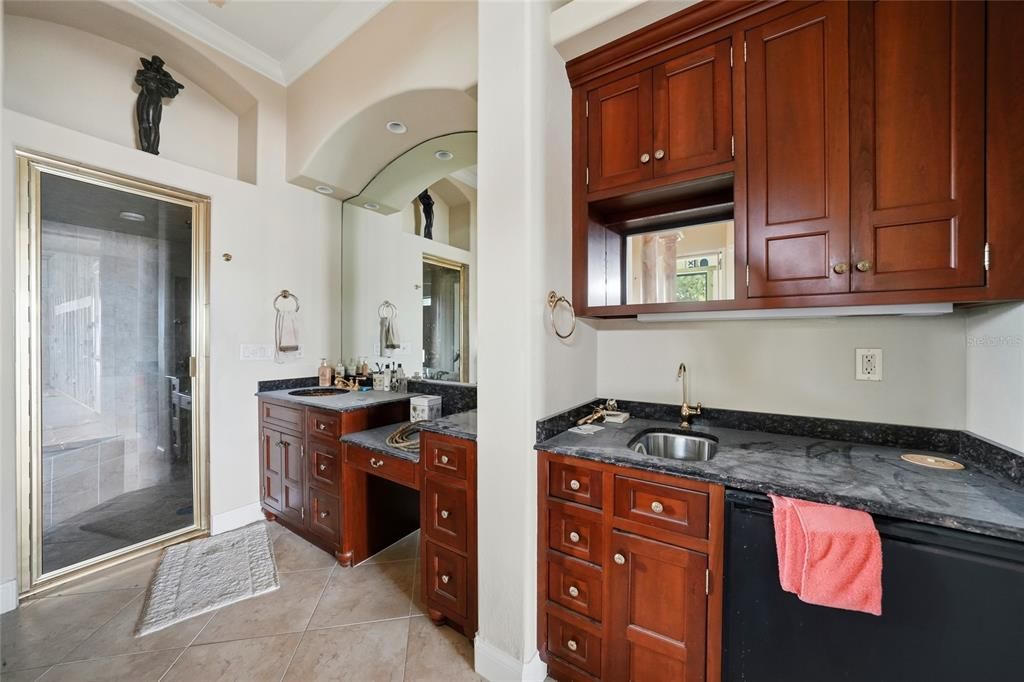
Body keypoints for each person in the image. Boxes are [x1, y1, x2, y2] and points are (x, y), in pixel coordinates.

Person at [135, 56, 184, 155]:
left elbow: (172, 92)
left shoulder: (165, 76)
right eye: (154, 63)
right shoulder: (144, 71)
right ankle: (144, 147)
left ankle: (152, 149)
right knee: (142, 123)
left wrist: (159, 84)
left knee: (152, 123)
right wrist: (150, 77)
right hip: (144, 95)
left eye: (158, 64)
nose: (156, 65)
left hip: (154, 96)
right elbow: (139, 78)